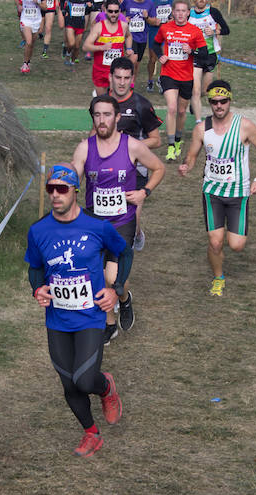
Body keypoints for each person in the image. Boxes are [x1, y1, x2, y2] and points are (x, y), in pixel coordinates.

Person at [25, 164, 132, 457]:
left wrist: (116, 289)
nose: (55, 195)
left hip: (91, 316)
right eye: (51, 189)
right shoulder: (38, 231)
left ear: (75, 191)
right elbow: (35, 269)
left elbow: (124, 252)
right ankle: (91, 433)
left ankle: (105, 386)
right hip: (57, 319)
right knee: (68, 383)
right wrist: (37, 288)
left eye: (62, 189)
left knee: (84, 380)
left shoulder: (97, 227)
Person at [73, 94, 165, 343]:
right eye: (97, 115)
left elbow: (159, 168)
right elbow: (74, 181)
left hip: (122, 220)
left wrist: (144, 192)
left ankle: (124, 299)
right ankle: (109, 324)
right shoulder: (85, 148)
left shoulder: (132, 146)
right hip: (93, 221)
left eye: (107, 115)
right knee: (95, 276)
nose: (102, 120)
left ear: (116, 117)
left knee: (112, 280)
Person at [178, 80, 256, 296]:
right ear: (209, 103)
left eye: (223, 101)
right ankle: (218, 277)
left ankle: (223, 245)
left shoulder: (244, 125)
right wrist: (186, 165)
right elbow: (192, 154)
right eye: (215, 102)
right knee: (216, 241)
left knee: (236, 245)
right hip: (212, 193)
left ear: (230, 100)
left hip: (238, 193)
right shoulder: (202, 128)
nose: (219, 106)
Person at [101, 56, 163, 251]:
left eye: (126, 78)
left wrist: (128, 146)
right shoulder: (102, 102)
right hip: (107, 167)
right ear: (110, 77)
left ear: (132, 78)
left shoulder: (141, 105)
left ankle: (136, 234)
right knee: (107, 214)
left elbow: (156, 139)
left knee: (131, 222)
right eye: (118, 77)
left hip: (135, 169)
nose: (121, 82)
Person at [154, 0, 207, 162]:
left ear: (188, 13)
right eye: (177, 11)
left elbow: (204, 54)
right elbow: (155, 44)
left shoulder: (195, 31)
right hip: (168, 74)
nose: (180, 14)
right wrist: (160, 55)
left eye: (183, 11)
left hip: (186, 77)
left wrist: (192, 51)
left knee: (182, 111)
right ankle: (170, 146)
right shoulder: (165, 28)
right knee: (171, 108)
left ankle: (177, 140)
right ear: (173, 12)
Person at [188, 0, 230, 123]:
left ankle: (194, 101)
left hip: (210, 54)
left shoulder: (213, 12)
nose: (201, 1)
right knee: (195, 91)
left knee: (205, 91)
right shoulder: (188, 13)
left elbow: (226, 30)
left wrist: (215, 32)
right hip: (195, 54)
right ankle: (198, 121)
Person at [82, 0, 132, 95]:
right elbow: (85, 46)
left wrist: (129, 48)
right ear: (105, 11)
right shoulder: (99, 27)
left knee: (116, 100)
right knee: (102, 101)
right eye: (110, 11)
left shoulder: (123, 26)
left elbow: (129, 36)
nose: (113, 14)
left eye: (116, 11)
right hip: (100, 70)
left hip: (117, 70)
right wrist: (102, 47)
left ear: (120, 11)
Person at [120, 0, 154, 85]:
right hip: (130, 36)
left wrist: (147, 17)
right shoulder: (127, 1)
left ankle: (132, 83)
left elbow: (154, 20)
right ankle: (126, 83)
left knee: (137, 63)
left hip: (142, 37)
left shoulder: (149, 3)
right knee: (133, 59)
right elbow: (117, 11)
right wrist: (123, 19)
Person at [145, 0, 172, 93]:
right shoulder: (151, 1)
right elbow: (146, 16)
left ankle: (161, 80)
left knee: (165, 58)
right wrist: (151, 20)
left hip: (168, 30)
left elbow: (177, 12)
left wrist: (172, 20)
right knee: (153, 59)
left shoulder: (171, 1)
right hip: (155, 31)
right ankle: (150, 80)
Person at [18, 0, 46, 74]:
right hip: (25, 20)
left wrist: (37, 2)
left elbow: (45, 7)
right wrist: (19, 6)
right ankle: (25, 64)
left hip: (36, 21)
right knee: (29, 42)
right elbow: (18, 2)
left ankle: (28, 62)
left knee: (31, 44)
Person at [63, 0, 92, 65]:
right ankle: (68, 53)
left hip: (80, 24)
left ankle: (72, 62)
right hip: (70, 23)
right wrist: (64, 10)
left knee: (77, 47)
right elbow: (64, 6)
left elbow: (89, 8)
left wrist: (89, 6)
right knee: (71, 43)